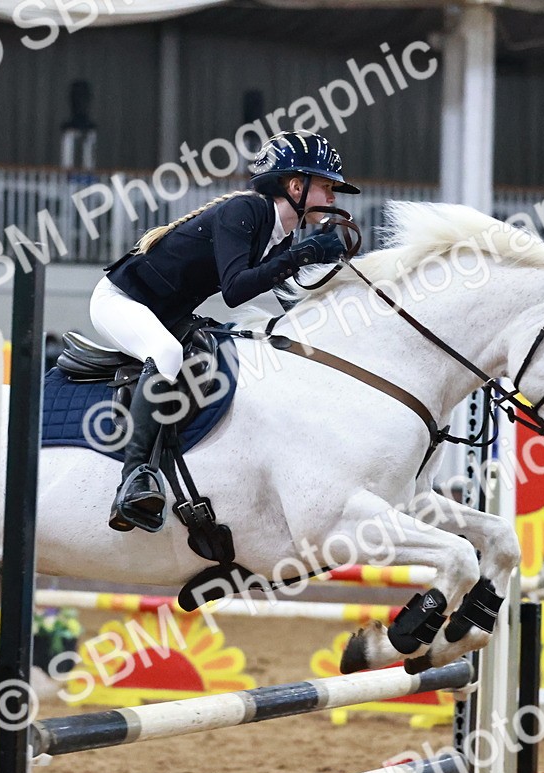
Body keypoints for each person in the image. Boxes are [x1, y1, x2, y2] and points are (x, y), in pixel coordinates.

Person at [90, 130, 357, 532]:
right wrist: (304, 255)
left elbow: (290, 305)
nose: (334, 197)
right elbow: (235, 290)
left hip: (166, 311)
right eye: (326, 186)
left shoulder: (281, 234)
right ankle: (134, 478)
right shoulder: (246, 212)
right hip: (121, 302)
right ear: (296, 186)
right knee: (165, 354)